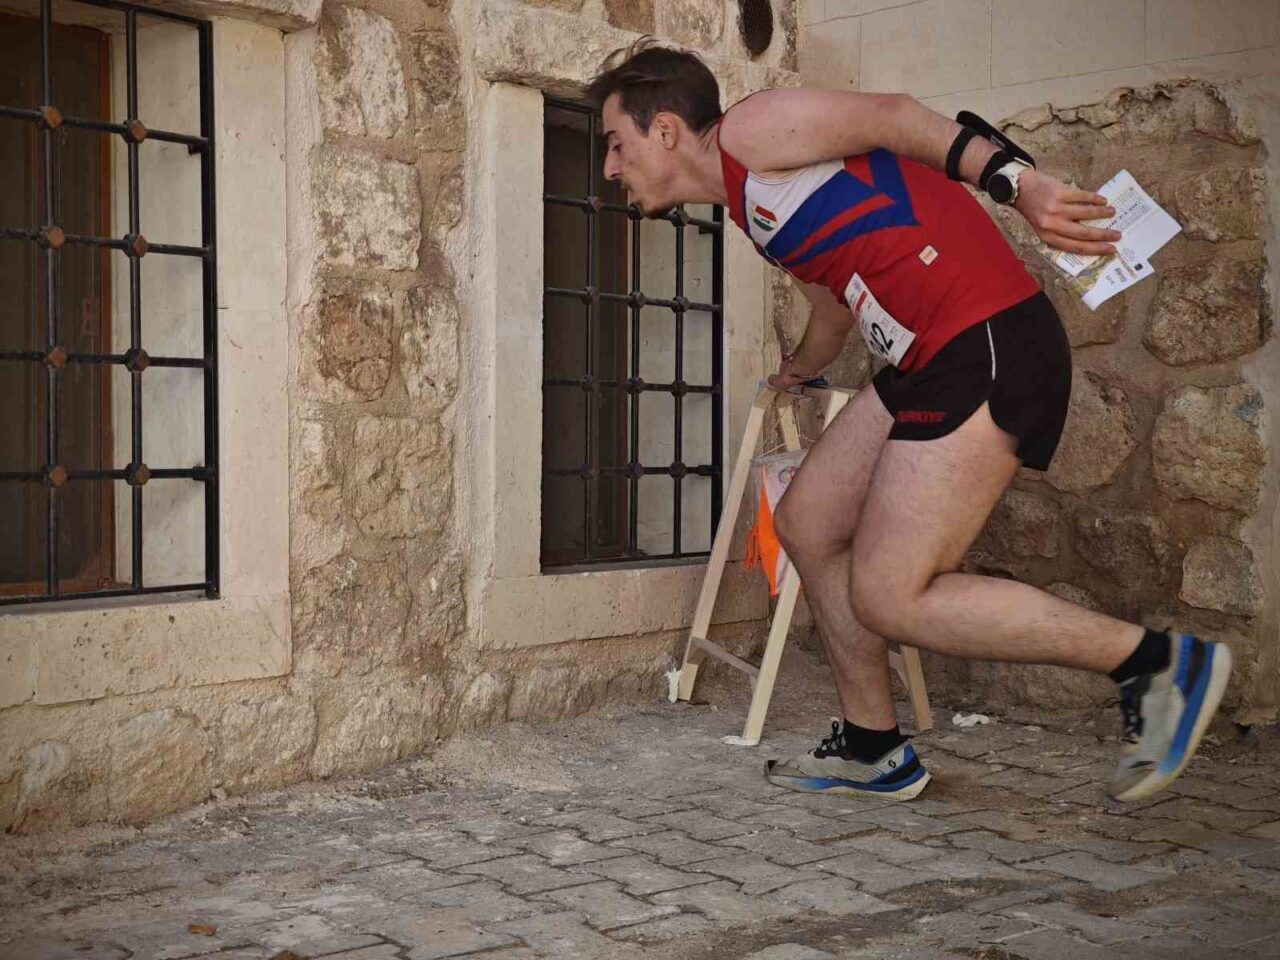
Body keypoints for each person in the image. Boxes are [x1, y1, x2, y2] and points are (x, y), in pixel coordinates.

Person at [585, 41, 1232, 804]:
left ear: (665, 131)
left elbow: (892, 118)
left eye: (614, 144)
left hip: (983, 341)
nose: (608, 170)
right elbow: (832, 301)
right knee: (809, 522)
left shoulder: (752, 130)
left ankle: (1156, 664)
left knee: (891, 594)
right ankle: (872, 748)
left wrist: (1015, 182)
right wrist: (799, 366)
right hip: (928, 359)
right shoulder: (753, 205)